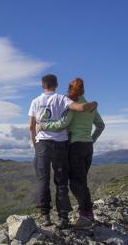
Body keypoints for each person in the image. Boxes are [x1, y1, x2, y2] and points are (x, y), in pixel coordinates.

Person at [28, 74, 97, 229]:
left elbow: (31, 127)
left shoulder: (35, 101)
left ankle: (45, 215)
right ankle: (63, 217)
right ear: (56, 85)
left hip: (42, 144)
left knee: (42, 179)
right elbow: (80, 107)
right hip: (60, 144)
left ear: (42, 85)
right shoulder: (62, 99)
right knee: (61, 181)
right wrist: (93, 103)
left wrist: (35, 146)